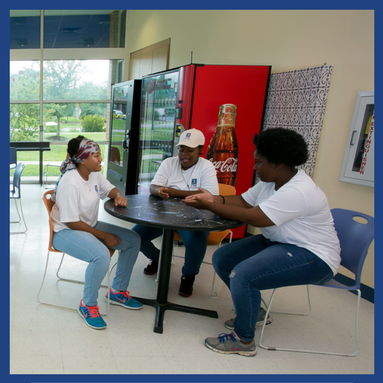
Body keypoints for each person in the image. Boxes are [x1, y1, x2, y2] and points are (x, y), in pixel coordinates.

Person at [184, 127, 341, 356]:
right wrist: (213, 198)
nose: (255, 167)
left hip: (313, 256)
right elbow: (244, 201)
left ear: (278, 163)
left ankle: (243, 340)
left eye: (259, 163)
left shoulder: (299, 191)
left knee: (243, 274)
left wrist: (208, 206)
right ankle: (254, 311)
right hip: (279, 242)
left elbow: (253, 217)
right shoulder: (271, 181)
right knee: (223, 258)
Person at [51, 135, 143, 330]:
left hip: (88, 225)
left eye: (100, 155)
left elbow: (110, 189)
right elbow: (71, 221)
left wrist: (118, 196)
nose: (101, 159)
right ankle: (87, 305)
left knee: (133, 239)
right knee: (100, 255)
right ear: (82, 159)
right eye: (96, 156)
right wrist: (102, 236)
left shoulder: (94, 174)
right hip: (65, 232)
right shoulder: (70, 182)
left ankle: (117, 291)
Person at [132, 129, 219, 297]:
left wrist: (174, 192)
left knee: (196, 241)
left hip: (195, 217)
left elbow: (209, 197)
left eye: (190, 150)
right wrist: (160, 191)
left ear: (200, 150)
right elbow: (153, 187)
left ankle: (188, 275)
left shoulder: (206, 167)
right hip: (164, 216)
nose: (184, 154)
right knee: (136, 237)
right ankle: (158, 258)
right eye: (181, 149)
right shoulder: (169, 163)